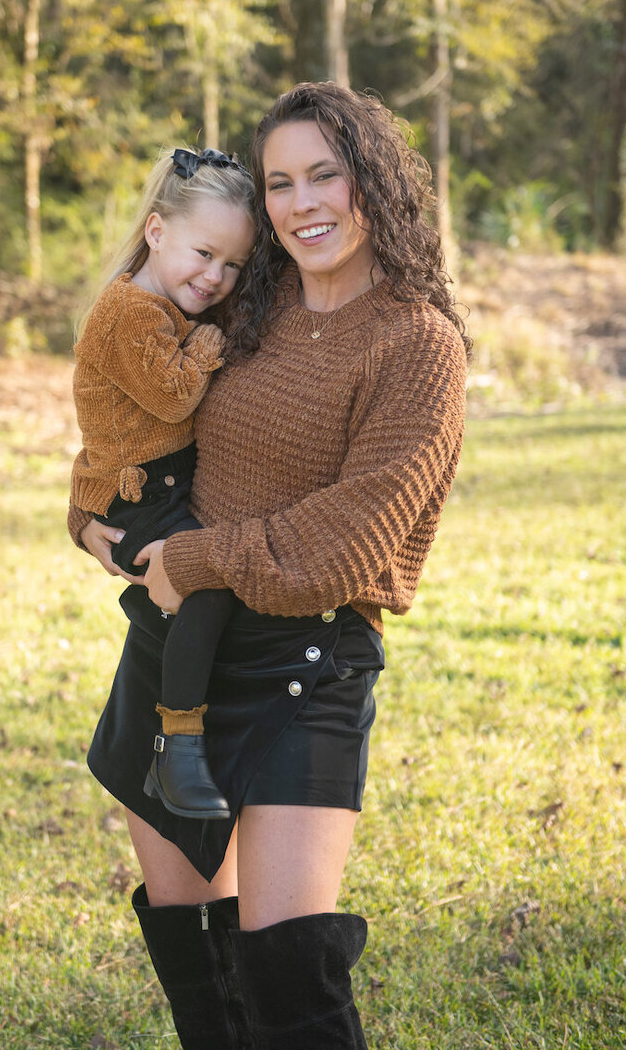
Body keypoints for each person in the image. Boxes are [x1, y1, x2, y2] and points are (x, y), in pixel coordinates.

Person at [69, 82, 470, 1049]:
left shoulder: (420, 345)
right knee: (199, 977)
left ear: (373, 182)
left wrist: (193, 557)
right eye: (282, 181)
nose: (301, 202)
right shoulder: (251, 301)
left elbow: (346, 543)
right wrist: (91, 522)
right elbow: (133, 426)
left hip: (306, 663)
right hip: (175, 654)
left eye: (325, 173)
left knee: (287, 975)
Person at [69, 146, 255, 821]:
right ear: (156, 231)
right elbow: (175, 396)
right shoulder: (132, 312)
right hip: (138, 500)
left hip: (157, 486)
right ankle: (177, 744)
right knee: (204, 587)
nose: (216, 278)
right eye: (204, 254)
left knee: (199, 597)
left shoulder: (164, 305)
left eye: (233, 265)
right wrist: (209, 346)